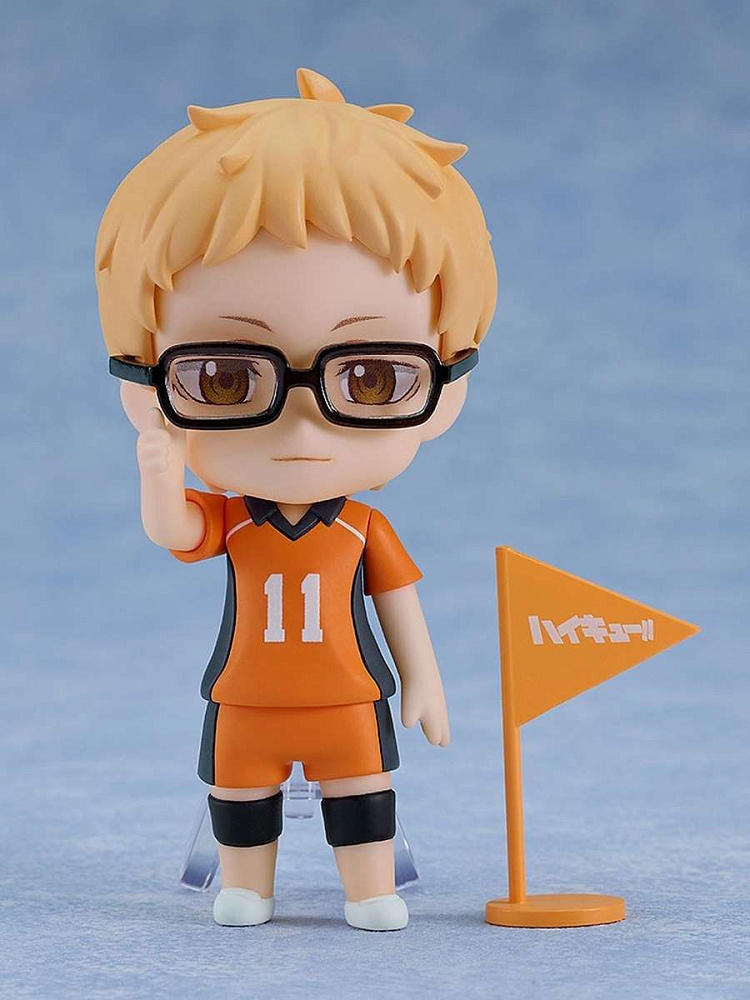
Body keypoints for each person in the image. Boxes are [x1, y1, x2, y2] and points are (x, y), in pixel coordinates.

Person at [96, 67, 497, 931]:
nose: (304, 424)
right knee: (240, 795)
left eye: (374, 376)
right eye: (226, 376)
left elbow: (399, 605)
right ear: (143, 384)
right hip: (243, 696)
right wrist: (160, 472)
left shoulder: (361, 527)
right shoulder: (234, 521)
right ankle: (248, 885)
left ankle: (369, 888)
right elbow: (174, 530)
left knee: (362, 793)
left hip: (350, 695)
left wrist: (423, 680)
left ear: (447, 388)